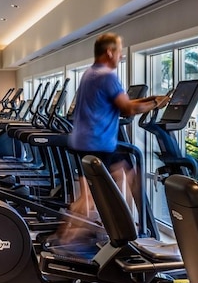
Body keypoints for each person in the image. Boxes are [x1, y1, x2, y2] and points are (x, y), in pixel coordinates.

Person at [58, 32, 170, 245]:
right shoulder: (107, 75)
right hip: (97, 143)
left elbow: (119, 101)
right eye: (119, 52)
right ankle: (70, 241)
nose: (120, 56)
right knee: (108, 186)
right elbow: (126, 108)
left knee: (104, 186)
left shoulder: (90, 73)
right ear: (109, 52)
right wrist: (156, 104)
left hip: (84, 142)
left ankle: (123, 229)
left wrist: (149, 99)